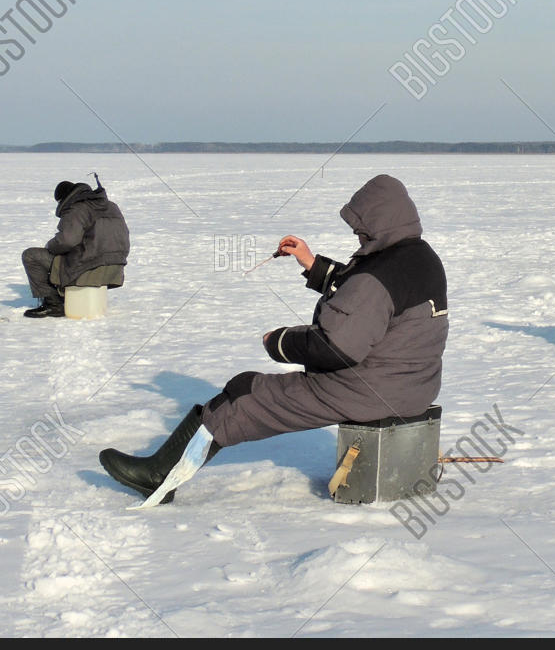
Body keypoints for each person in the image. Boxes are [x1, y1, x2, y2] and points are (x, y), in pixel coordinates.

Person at [99, 175, 449, 506]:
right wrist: (311, 263)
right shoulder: (419, 258)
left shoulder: (377, 274)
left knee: (243, 394)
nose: (358, 235)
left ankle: (159, 475)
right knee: (252, 390)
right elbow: (361, 297)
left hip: (365, 389)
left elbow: (336, 347)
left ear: (378, 221)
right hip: (412, 387)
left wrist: (279, 342)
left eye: (361, 229)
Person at [21, 178, 129, 318]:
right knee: (67, 256)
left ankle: (54, 305)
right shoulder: (111, 206)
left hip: (89, 266)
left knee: (31, 256)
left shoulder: (77, 208)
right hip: (115, 268)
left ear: (63, 199)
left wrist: (50, 246)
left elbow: (67, 240)